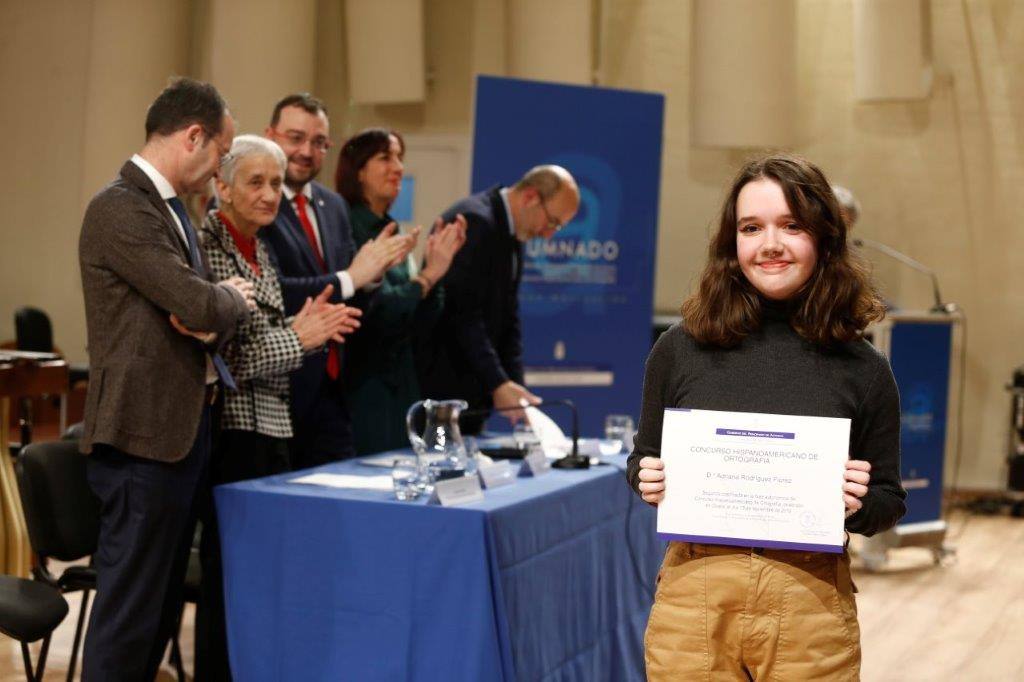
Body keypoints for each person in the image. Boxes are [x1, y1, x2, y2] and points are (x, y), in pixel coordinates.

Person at [628, 154, 907, 680]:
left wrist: (857, 503)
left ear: (825, 237)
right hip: (694, 601)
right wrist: (646, 477)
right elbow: (644, 459)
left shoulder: (864, 369)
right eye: (751, 227)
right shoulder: (679, 349)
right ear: (731, 243)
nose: (770, 244)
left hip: (811, 603)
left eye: (792, 226)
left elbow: (887, 503)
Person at [78, 78, 254, 680]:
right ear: (193, 136)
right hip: (140, 440)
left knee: (154, 617)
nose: (219, 170)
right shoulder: (120, 207)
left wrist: (212, 306)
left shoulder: (170, 210)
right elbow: (199, 306)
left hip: (180, 433)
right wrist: (229, 298)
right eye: (221, 154)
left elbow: (199, 314)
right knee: (128, 619)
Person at [194, 134, 362, 679]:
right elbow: (230, 360)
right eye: (256, 182)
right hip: (233, 434)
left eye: (276, 183)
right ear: (221, 186)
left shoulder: (260, 246)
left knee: (266, 578)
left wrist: (298, 330)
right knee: (233, 578)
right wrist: (302, 337)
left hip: (275, 427)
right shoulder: (210, 244)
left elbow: (261, 336)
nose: (270, 195)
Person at [260, 93, 414, 467]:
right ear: (271, 135)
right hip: (277, 395)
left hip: (335, 392)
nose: (306, 152)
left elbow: (355, 304)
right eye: (295, 138)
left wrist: (372, 279)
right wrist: (351, 277)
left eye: (318, 143)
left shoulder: (334, 207)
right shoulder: (255, 201)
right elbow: (273, 291)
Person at [418, 165, 580, 432]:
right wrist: (497, 383)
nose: (549, 234)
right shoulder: (475, 221)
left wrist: (515, 391)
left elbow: (508, 318)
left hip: (472, 395)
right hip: (442, 396)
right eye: (552, 222)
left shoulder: (512, 231)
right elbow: (461, 314)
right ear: (530, 197)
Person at [334, 128, 467, 454]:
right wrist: (424, 280)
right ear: (359, 171)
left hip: (403, 386)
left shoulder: (393, 230)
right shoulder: (347, 226)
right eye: (385, 158)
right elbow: (378, 314)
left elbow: (416, 323)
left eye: (400, 158)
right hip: (364, 391)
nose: (398, 167)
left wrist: (433, 277)